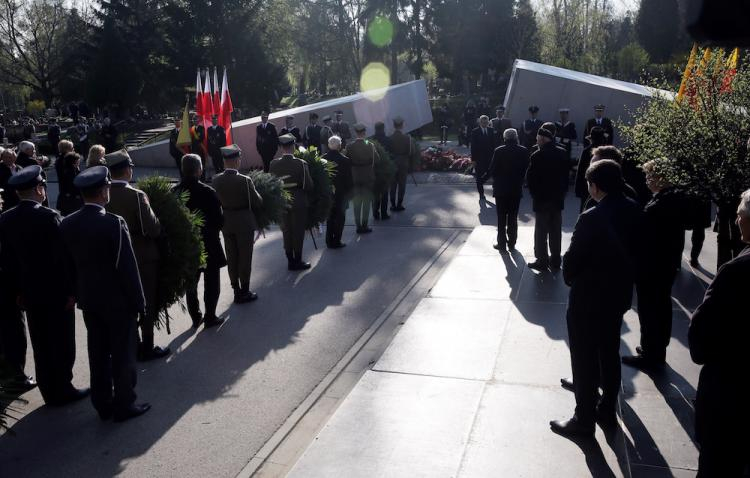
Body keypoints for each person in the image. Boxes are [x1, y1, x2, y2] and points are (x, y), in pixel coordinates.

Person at [550, 159, 642, 437]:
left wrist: (570, 278)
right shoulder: (634, 209)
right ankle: (606, 408)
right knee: (609, 352)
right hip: (618, 294)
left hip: (588, 298)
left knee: (584, 357)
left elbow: (573, 260)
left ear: (595, 186)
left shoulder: (591, 217)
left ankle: (584, 419)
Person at [61, 165, 151, 422]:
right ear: (103, 192)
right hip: (118, 302)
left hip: (89, 300)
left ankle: (102, 403)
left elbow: (67, 265)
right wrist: (140, 302)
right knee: (123, 354)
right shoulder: (113, 223)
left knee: (98, 353)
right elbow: (127, 268)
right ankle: (125, 404)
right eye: (108, 187)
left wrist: (75, 293)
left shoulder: (67, 223)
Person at [0, 165, 89, 405]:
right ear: (40, 189)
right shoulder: (50, 217)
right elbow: (65, 259)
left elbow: (8, 261)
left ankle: (49, 390)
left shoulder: (5, 219)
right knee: (61, 341)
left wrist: (18, 291)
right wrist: (72, 291)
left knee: (40, 342)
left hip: (29, 293)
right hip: (56, 292)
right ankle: (64, 387)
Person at [688, 188, 750, 477]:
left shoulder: (736, 272)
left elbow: (701, 334)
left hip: (731, 391)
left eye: (740, 215)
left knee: (718, 464)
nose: (737, 220)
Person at [622, 159, 688, 369]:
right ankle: (656, 348)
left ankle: (651, 352)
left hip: (652, 266)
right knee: (661, 307)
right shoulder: (673, 198)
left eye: (649, 176)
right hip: (666, 264)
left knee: (650, 310)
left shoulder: (659, 205)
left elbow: (645, 236)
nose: (646, 180)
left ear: (659, 178)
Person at [105, 150, 170, 362]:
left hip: (113, 257)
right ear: (127, 170)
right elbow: (152, 228)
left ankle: (133, 345)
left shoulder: (102, 195)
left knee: (126, 302)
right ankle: (148, 346)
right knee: (146, 302)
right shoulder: (136, 196)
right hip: (142, 255)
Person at [173, 154, 227, 327]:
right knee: (212, 282)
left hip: (187, 245)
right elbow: (219, 220)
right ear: (199, 170)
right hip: (209, 243)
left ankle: (196, 316)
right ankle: (210, 316)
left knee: (191, 283)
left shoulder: (174, 192)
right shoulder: (207, 191)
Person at [213, 144, 264, 298]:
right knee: (245, 256)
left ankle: (235, 290)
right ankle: (245, 290)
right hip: (243, 222)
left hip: (227, 222)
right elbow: (257, 202)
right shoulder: (244, 180)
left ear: (224, 161)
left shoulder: (216, 180)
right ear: (236, 161)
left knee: (232, 256)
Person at [526, 126, 569, 270]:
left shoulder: (537, 155)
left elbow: (531, 179)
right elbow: (566, 178)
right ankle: (556, 260)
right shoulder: (562, 153)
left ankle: (542, 260)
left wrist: (535, 195)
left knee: (541, 231)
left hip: (542, 199)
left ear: (543, 139)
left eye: (538, 139)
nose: (537, 142)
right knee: (556, 230)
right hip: (557, 199)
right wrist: (562, 194)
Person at [270, 135, 314, 270]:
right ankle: (298, 259)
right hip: (298, 199)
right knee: (298, 231)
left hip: (283, 200)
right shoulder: (301, 163)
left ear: (281, 147)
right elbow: (308, 185)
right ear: (293, 146)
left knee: (286, 230)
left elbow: (271, 184)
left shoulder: (273, 164)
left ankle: (290, 260)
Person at [481, 128, 529, 252]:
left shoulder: (499, 150)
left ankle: (501, 243)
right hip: (515, 188)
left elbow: (492, 169)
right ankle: (512, 242)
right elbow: (526, 169)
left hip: (501, 189)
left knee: (501, 218)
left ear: (504, 138)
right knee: (513, 217)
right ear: (516, 137)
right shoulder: (523, 151)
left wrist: (482, 179)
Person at [345, 123, 378, 234]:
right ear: (364, 133)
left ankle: (358, 226)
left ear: (356, 133)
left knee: (357, 203)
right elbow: (377, 159)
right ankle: (364, 226)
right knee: (366, 202)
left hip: (355, 177)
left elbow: (346, 161)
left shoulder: (350, 146)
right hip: (368, 177)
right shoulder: (369, 144)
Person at [323, 136, 352, 248]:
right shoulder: (345, 160)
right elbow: (349, 180)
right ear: (340, 146)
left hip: (328, 193)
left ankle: (329, 241)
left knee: (330, 217)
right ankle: (337, 240)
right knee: (340, 218)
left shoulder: (323, 159)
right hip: (341, 195)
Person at [575, 127, 607, 212]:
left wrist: (578, 190)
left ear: (591, 139)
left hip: (587, 189)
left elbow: (581, 171)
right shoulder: (607, 152)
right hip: (604, 190)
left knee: (586, 211)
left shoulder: (586, 151)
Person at [389, 116, 413, 212]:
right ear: (402, 125)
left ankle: (393, 205)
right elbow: (409, 152)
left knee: (393, 184)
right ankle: (399, 204)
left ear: (394, 125)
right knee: (402, 184)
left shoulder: (390, 138)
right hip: (403, 162)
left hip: (393, 162)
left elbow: (388, 151)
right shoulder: (407, 138)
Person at [470, 115, 496, 201]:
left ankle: (480, 182)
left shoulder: (491, 130)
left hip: (490, 158)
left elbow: (494, 144)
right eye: (483, 122)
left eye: (486, 122)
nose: (485, 124)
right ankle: (481, 194)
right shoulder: (475, 131)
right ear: (480, 122)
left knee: (490, 173)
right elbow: (473, 146)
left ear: (488, 122)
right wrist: (473, 160)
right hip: (479, 158)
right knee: (479, 176)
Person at [371, 121, 391, 220]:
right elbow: (391, 154)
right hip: (384, 170)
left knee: (375, 193)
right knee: (384, 192)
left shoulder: (370, 140)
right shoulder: (388, 140)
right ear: (383, 129)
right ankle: (384, 213)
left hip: (373, 170)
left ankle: (375, 212)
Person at [56, 152, 83, 216]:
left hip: (66, 201)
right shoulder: (71, 172)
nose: (79, 162)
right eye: (78, 161)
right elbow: (74, 187)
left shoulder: (67, 170)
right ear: (74, 162)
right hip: (71, 202)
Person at [688, 197, 712, 267]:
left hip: (696, 212)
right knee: (699, 236)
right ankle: (694, 258)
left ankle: (694, 258)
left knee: (697, 236)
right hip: (701, 215)